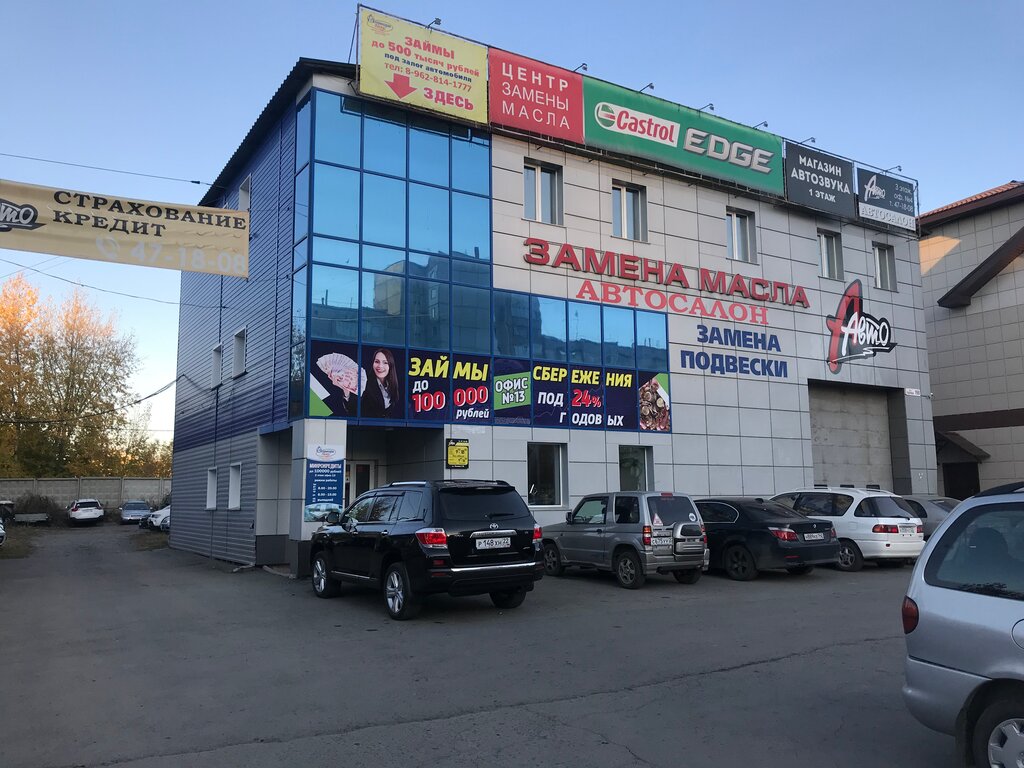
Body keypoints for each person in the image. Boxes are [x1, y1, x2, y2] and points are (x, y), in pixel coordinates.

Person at [361, 348, 401, 418]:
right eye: (377, 362)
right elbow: (353, 407)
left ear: (390, 366)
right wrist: (347, 393)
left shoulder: (393, 386)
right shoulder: (365, 382)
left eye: (385, 362)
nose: (380, 366)